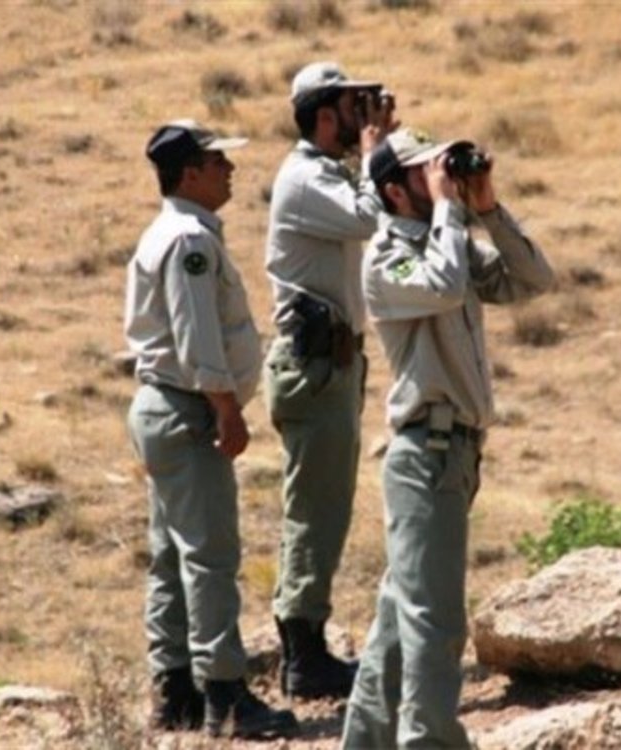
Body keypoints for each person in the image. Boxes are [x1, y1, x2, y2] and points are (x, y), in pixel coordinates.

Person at [341, 129, 555, 748]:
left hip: (454, 455)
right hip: (425, 455)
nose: (439, 177)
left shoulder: (450, 240)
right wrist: (447, 211)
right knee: (435, 625)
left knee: (397, 620)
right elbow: (441, 286)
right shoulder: (387, 258)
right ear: (394, 190)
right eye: (422, 171)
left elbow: (533, 280)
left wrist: (486, 208)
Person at [125, 119, 298, 740]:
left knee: (172, 556)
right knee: (210, 557)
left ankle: (175, 695)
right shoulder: (189, 240)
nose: (229, 169)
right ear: (189, 173)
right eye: (217, 160)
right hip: (188, 409)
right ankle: (225, 696)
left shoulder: (170, 232)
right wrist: (227, 408)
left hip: (164, 406)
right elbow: (197, 336)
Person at [262, 61, 398, 700]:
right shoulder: (304, 180)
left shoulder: (325, 175)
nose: (361, 116)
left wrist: (375, 148)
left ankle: (306, 645)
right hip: (313, 366)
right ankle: (303, 655)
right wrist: (376, 151)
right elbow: (372, 217)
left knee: (326, 506)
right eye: (351, 106)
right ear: (323, 115)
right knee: (316, 510)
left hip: (330, 364)